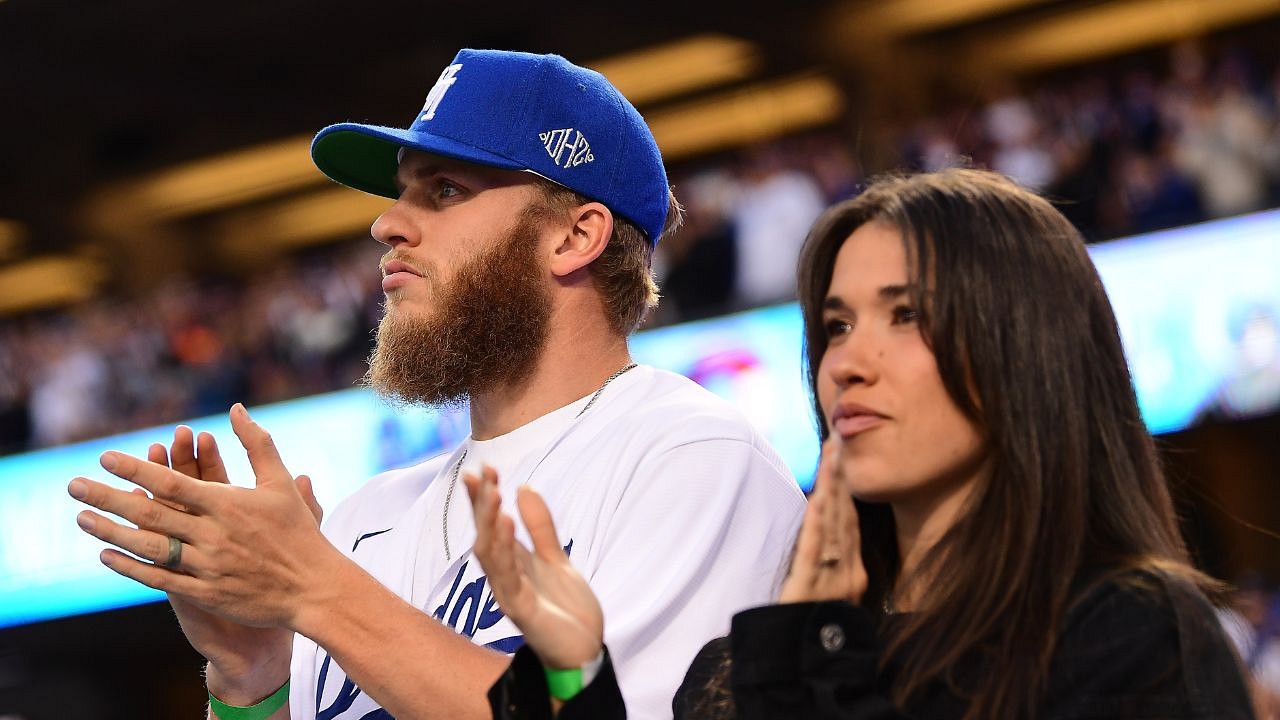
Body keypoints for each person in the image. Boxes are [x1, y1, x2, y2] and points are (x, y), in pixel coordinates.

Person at [66, 49, 806, 720]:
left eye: (444, 190)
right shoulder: (364, 521)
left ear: (576, 236)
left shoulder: (691, 457)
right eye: (401, 193)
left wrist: (317, 589)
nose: (387, 224)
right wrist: (254, 677)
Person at [471, 169, 1257, 719]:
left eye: (906, 315)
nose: (846, 361)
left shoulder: (1132, 633)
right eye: (837, 326)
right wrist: (575, 676)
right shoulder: (754, 657)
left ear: (1027, 347)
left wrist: (813, 665)